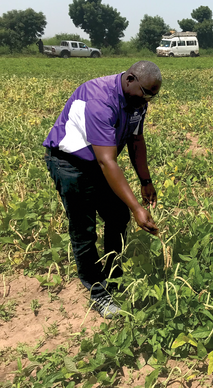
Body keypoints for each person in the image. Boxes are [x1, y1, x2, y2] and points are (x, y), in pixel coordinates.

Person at [43, 61, 161, 318]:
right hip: (70, 164)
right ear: (130, 79)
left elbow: (136, 139)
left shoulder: (137, 102)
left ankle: (113, 275)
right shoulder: (99, 99)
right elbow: (107, 161)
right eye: (146, 93)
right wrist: (138, 208)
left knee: (118, 215)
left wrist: (145, 181)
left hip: (98, 163)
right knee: (83, 229)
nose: (147, 101)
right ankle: (98, 292)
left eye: (153, 96)